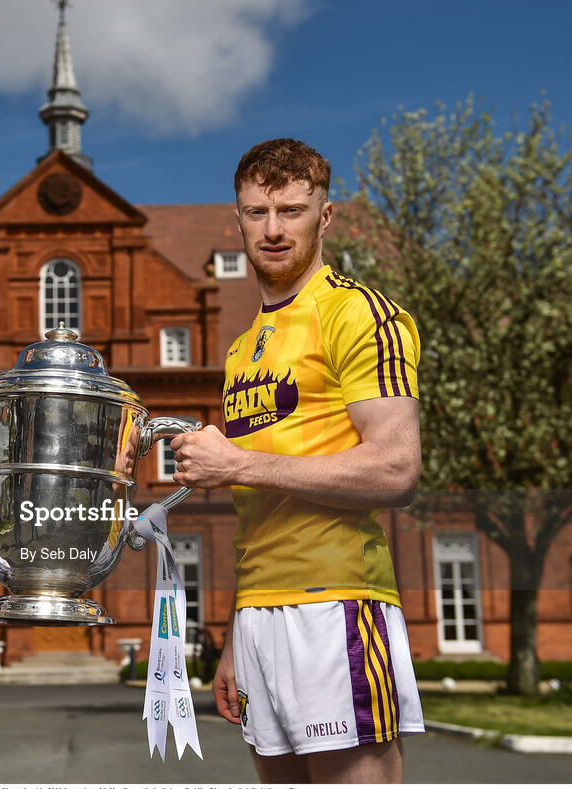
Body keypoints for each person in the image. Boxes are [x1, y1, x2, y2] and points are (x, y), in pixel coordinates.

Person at [170, 138, 424, 783]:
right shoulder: (243, 348)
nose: (274, 229)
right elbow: (257, 512)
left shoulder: (361, 315)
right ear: (239, 221)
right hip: (261, 614)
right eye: (257, 213)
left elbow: (395, 469)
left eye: (291, 210)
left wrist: (237, 465)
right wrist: (235, 631)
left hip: (337, 603)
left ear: (325, 216)